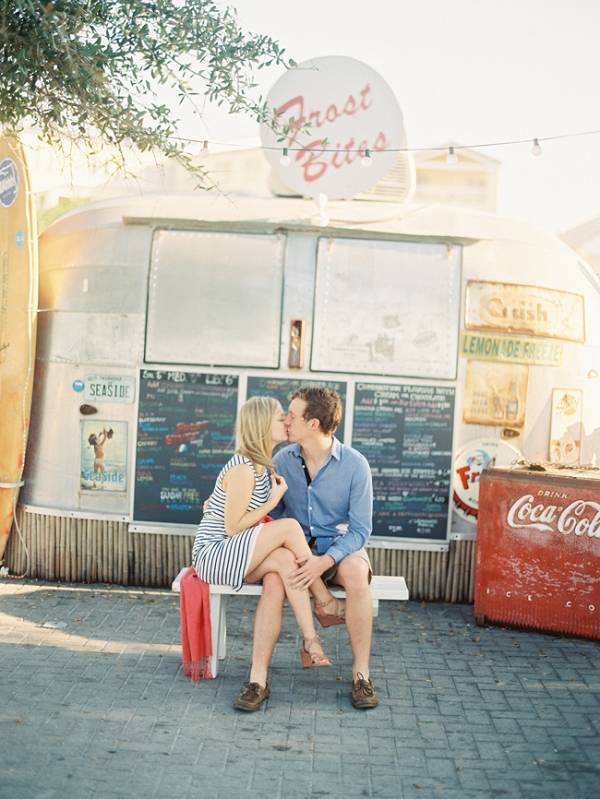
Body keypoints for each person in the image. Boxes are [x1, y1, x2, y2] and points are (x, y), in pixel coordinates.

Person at [192, 396, 344, 712]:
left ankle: (298, 650)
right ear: (262, 426)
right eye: (280, 418)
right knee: (289, 528)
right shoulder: (243, 466)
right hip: (216, 553)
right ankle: (324, 601)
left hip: (239, 553)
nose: (286, 422)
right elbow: (233, 527)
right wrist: (273, 499)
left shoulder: (261, 466)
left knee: (281, 571)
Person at [254, 387, 378, 710]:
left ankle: (361, 675)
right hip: (295, 554)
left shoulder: (355, 465)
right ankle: (257, 680)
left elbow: (361, 530)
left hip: (338, 550)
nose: (285, 421)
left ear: (314, 425)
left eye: (292, 416)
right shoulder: (281, 460)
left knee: (356, 572)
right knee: (273, 580)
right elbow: (273, 516)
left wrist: (325, 562)